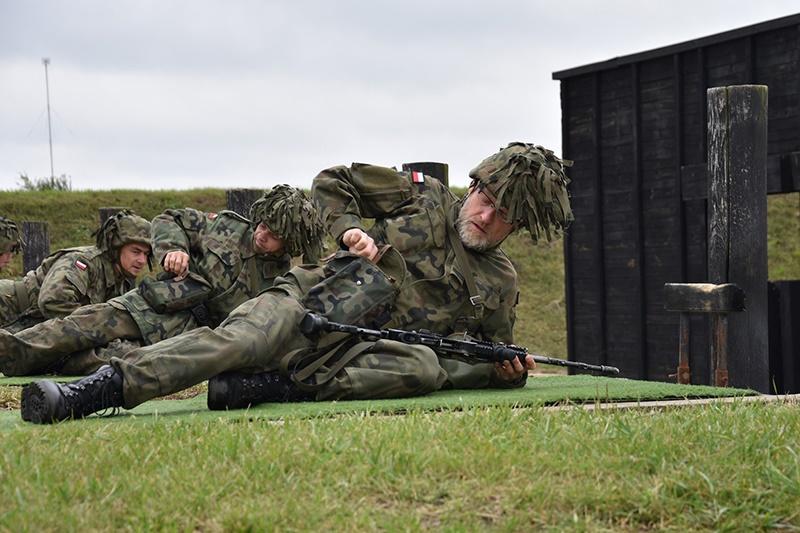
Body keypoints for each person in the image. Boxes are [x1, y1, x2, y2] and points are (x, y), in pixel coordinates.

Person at [21, 142, 573, 424]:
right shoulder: (421, 196)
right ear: (473, 186)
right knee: (239, 342)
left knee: (428, 367)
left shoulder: (500, 281)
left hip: (362, 352)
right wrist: (350, 229)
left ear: (519, 226)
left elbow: (484, 351)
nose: (485, 217)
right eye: (484, 200)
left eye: (503, 215)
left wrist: (506, 373)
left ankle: (278, 387)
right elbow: (333, 181)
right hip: (313, 300)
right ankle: (96, 391)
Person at [0, 185, 323, 377]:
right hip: (156, 302)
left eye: (274, 235)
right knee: (82, 324)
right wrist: (174, 249)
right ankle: (10, 351)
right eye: (263, 225)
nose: (262, 235)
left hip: (185, 335)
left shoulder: (281, 280)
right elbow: (170, 219)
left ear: (290, 242)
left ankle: (49, 362)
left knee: (111, 359)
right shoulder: (226, 227)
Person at [0, 210, 151, 335]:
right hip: (8, 306)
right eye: (135, 252)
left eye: (146, 254)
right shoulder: (84, 263)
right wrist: (100, 325)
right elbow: (52, 302)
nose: (142, 260)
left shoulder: (120, 282)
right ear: (117, 248)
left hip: (26, 322)